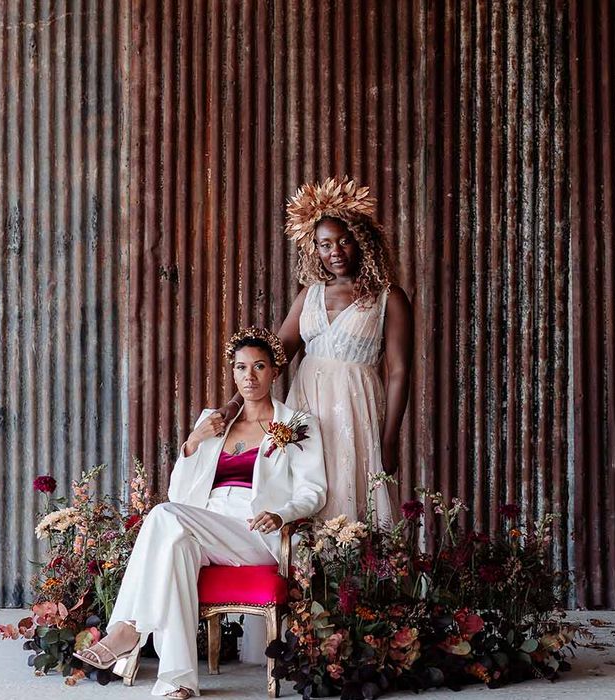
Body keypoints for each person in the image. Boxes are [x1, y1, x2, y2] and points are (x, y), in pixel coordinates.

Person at [74, 328, 327, 698]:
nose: (249, 376)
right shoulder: (213, 422)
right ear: (233, 372)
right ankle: (177, 681)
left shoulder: (296, 424)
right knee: (175, 547)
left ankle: (128, 628)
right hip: (203, 525)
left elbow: (313, 490)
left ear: (274, 371)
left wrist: (282, 513)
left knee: (163, 516)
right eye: (241, 368)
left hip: (255, 531)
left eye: (258, 367)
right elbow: (180, 494)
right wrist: (194, 442)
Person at [219, 177, 413, 527]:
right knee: (307, 481)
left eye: (343, 241)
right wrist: (235, 403)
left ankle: (353, 575)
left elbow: (399, 372)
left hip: (356, 406)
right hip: (306, 404)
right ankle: (305, 574)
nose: (335, 252)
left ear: (362, 241)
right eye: (325, 245)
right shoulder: (308, 294)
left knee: (351, 486)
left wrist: (389, 438)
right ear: (315, 250)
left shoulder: (389, 297)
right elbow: (274, 356)